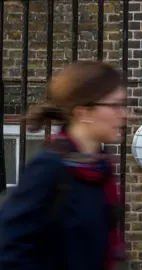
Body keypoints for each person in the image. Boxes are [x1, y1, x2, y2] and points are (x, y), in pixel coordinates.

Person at [0, 61, 128, 270]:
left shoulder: (100, 169)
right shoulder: (48, 169)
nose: (124, 114)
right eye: (115, 105)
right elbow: (9, 251)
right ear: (83, 113)